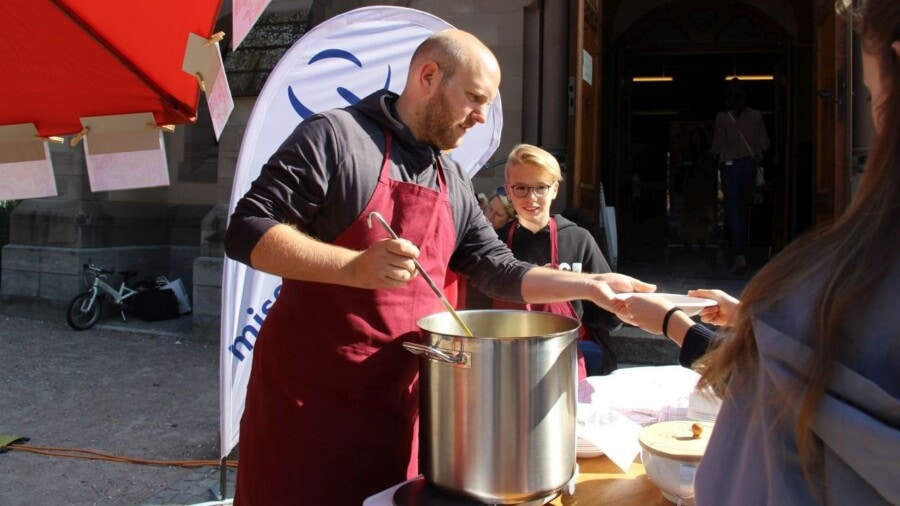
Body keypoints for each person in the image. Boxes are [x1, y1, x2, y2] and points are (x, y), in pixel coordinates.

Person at [223, 29, 655, 504]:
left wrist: (591, 284)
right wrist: (352, 267)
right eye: (474, 98)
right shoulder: (335, 136)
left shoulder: (451, 177)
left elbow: (498, 268)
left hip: (403, 399)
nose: (482, 116)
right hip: (312, 399)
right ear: (428, 76)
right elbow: (247, 229)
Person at [616, 1, 900, 502]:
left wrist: (672, 323)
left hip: (742, 172)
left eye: (872, 95)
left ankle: (741, 252)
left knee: (742, 218)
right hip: (733, 170)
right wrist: (752, 315)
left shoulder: (838, 287)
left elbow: (786, 388)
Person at [492, 144, 620, 376]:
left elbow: (609, 319)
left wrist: (619, 304)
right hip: (507, 361)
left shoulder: (578, 239)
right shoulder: (495, 244)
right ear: (508, 192)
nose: (531, 198)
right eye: (521, 188)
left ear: (554, 190)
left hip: (565, 359)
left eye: (540, 187)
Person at [710, 77, 770, 274]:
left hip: (730, 166)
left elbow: (717, 145)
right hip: (749, 165)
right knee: (744, 209)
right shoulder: (757, 115)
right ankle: (744, 252)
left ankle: (739, 256)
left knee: (733, 211)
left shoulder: (723, 118)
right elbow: (765, 144)